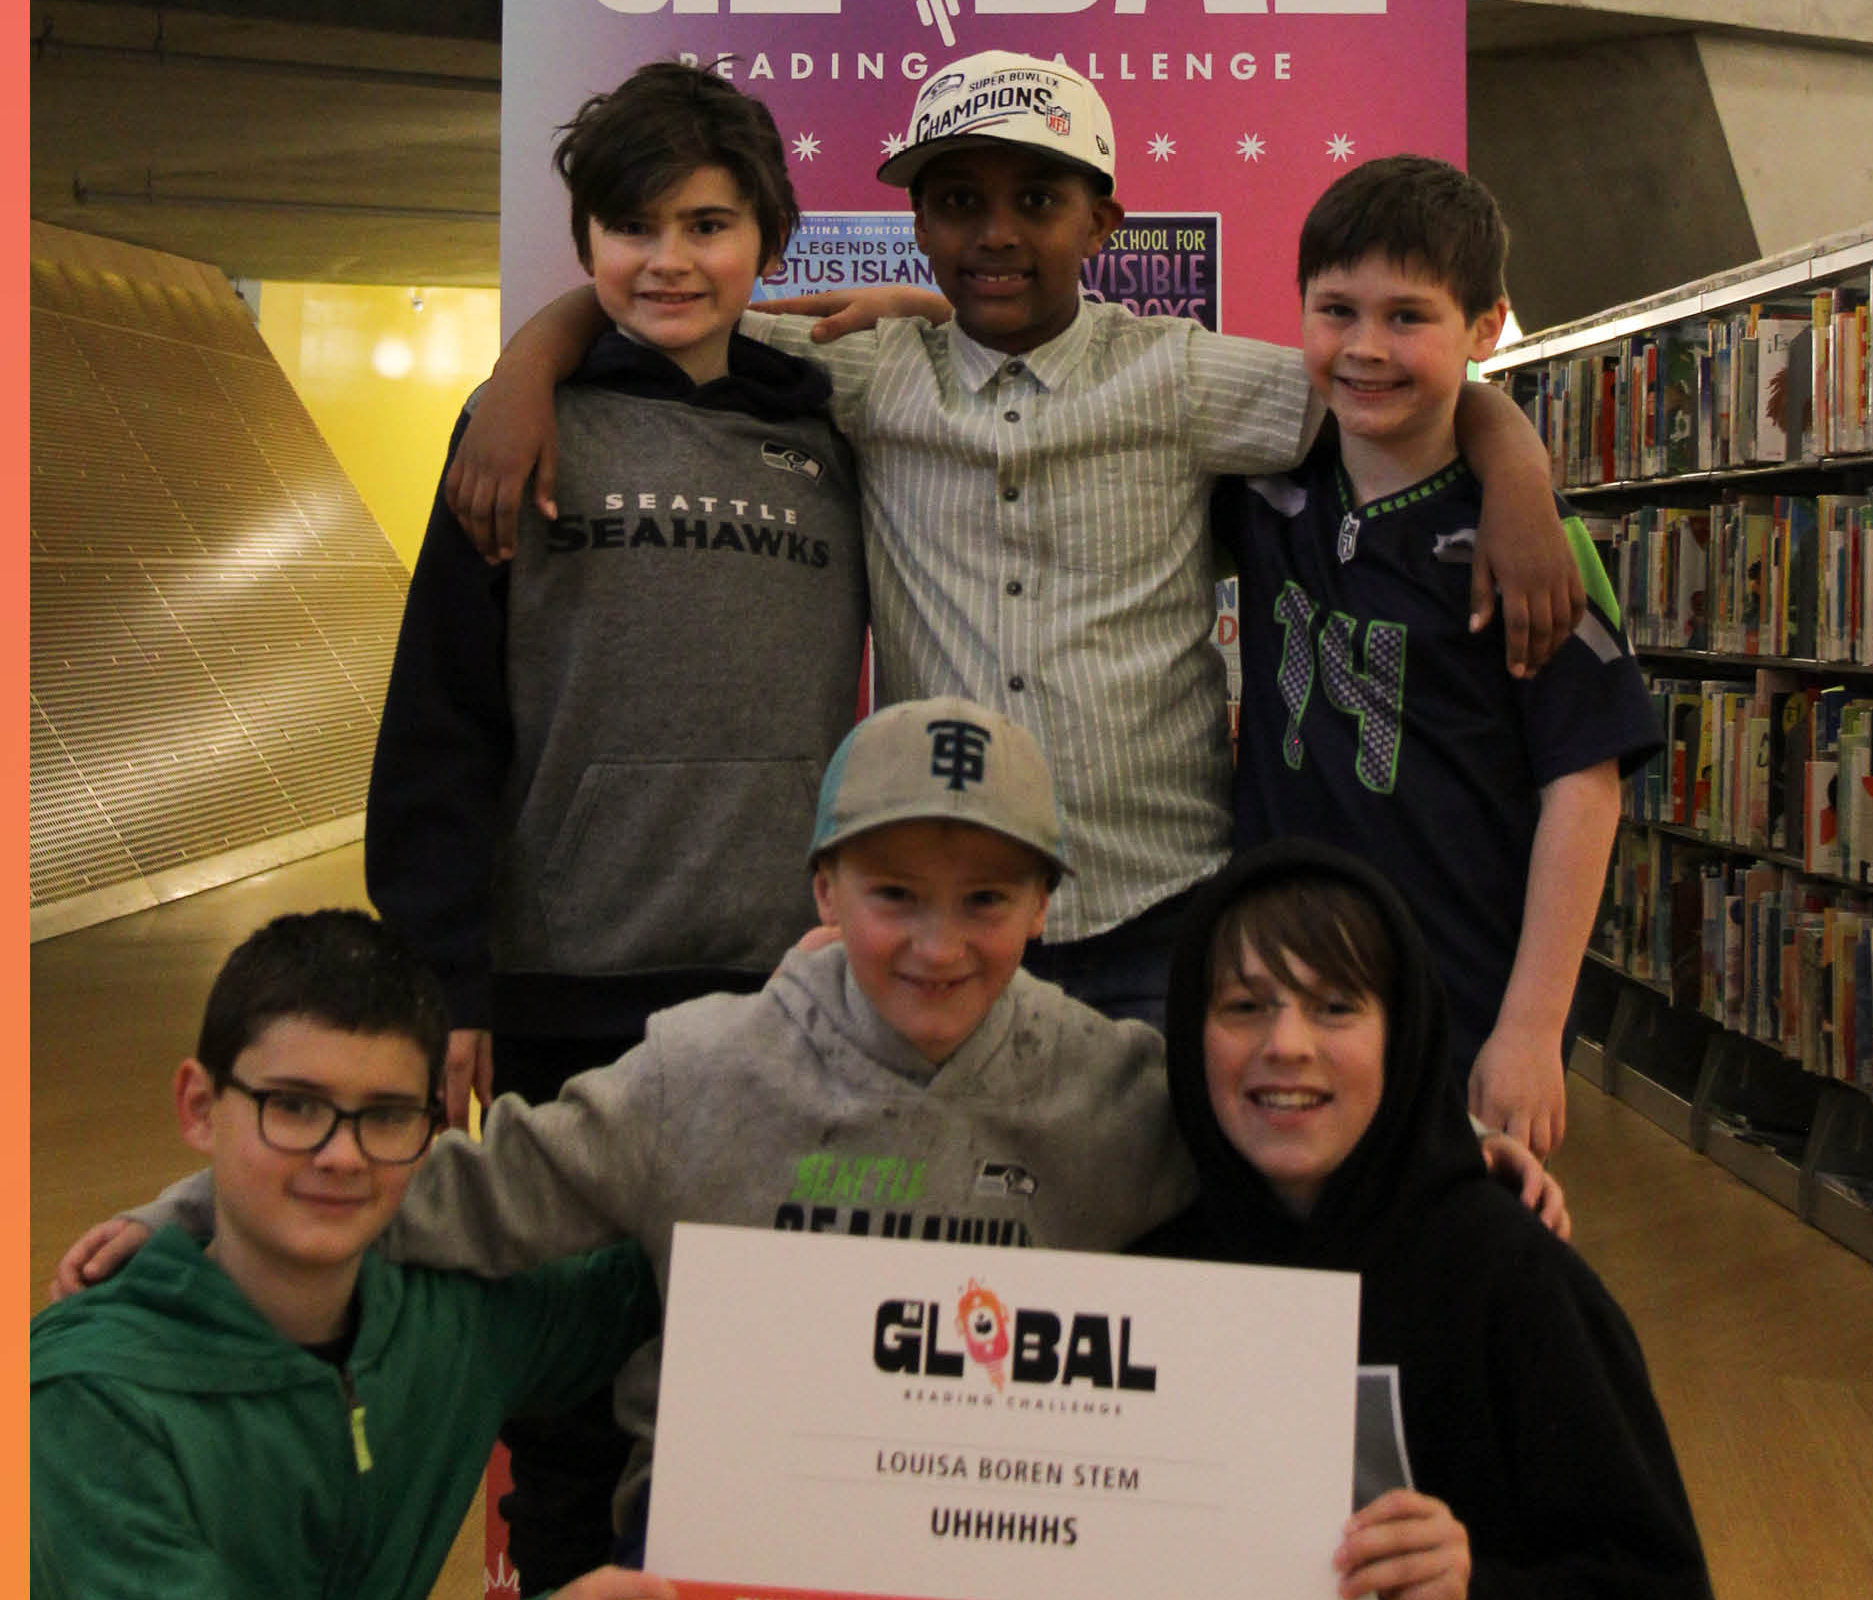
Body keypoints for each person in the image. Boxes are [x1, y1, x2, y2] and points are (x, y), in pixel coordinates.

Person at [53, 704, 1573, 1600]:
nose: (936, 941)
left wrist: (1455, 1150)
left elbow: (1293, 1151)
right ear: (822, 891)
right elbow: (437, 1180)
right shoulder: (696, 1075)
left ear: (1047, 906)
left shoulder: (1119, 1093)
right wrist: (192, 1208)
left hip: (987, 1575)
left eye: (985, 900)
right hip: (710, 1570)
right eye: (891, 895)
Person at [444, 52, 1584, 1027]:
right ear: (916, 221)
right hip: (947, 919)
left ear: (1101, 222)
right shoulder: (863, 373)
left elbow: (1378, 384)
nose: (994, 233)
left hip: (1162, 908)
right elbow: (665, 294)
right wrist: (526, 366)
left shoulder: (1181, 376)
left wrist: (1516, 469)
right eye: (955, 202)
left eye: (1036, 201)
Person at [370, 59, 868, 1600]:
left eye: (708, 223)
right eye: (626, 225)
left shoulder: (829, 420)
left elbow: (961, 348)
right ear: (581, 238)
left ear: (767, 239)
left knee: (763, 1375)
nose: (669, 258)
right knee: (570, 1387)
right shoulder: (517, 428)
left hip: (776, 995)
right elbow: (439, 721)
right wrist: (443, 977)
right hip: (562, 985)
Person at [29, 910, 677, 1600]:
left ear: (433, 1128)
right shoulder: (89, 1399)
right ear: (199, 1107)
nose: (340, 1155)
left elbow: (649, 1282)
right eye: (293, 1106)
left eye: (384, 1116)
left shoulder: (445, 1323)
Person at [1139, 843, 1735, 1600]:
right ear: (1185, 1033)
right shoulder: (1162, 1281)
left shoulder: (1515, 1278)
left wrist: (1473, 1599)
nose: (1284, 1043)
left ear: (1403, 1035)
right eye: (1242, 1005)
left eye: (1335, 1008)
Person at [1225, 154, 1662, 1155]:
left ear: (1482, 325)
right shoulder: (1263, 485)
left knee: (1450, 1281)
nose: (1364, 347)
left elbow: (1583, 790)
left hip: (1452, 999)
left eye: (1406, 317)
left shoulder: (1528, 556)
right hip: (1275, 989)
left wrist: (1530, 1027)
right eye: (1335, 309)